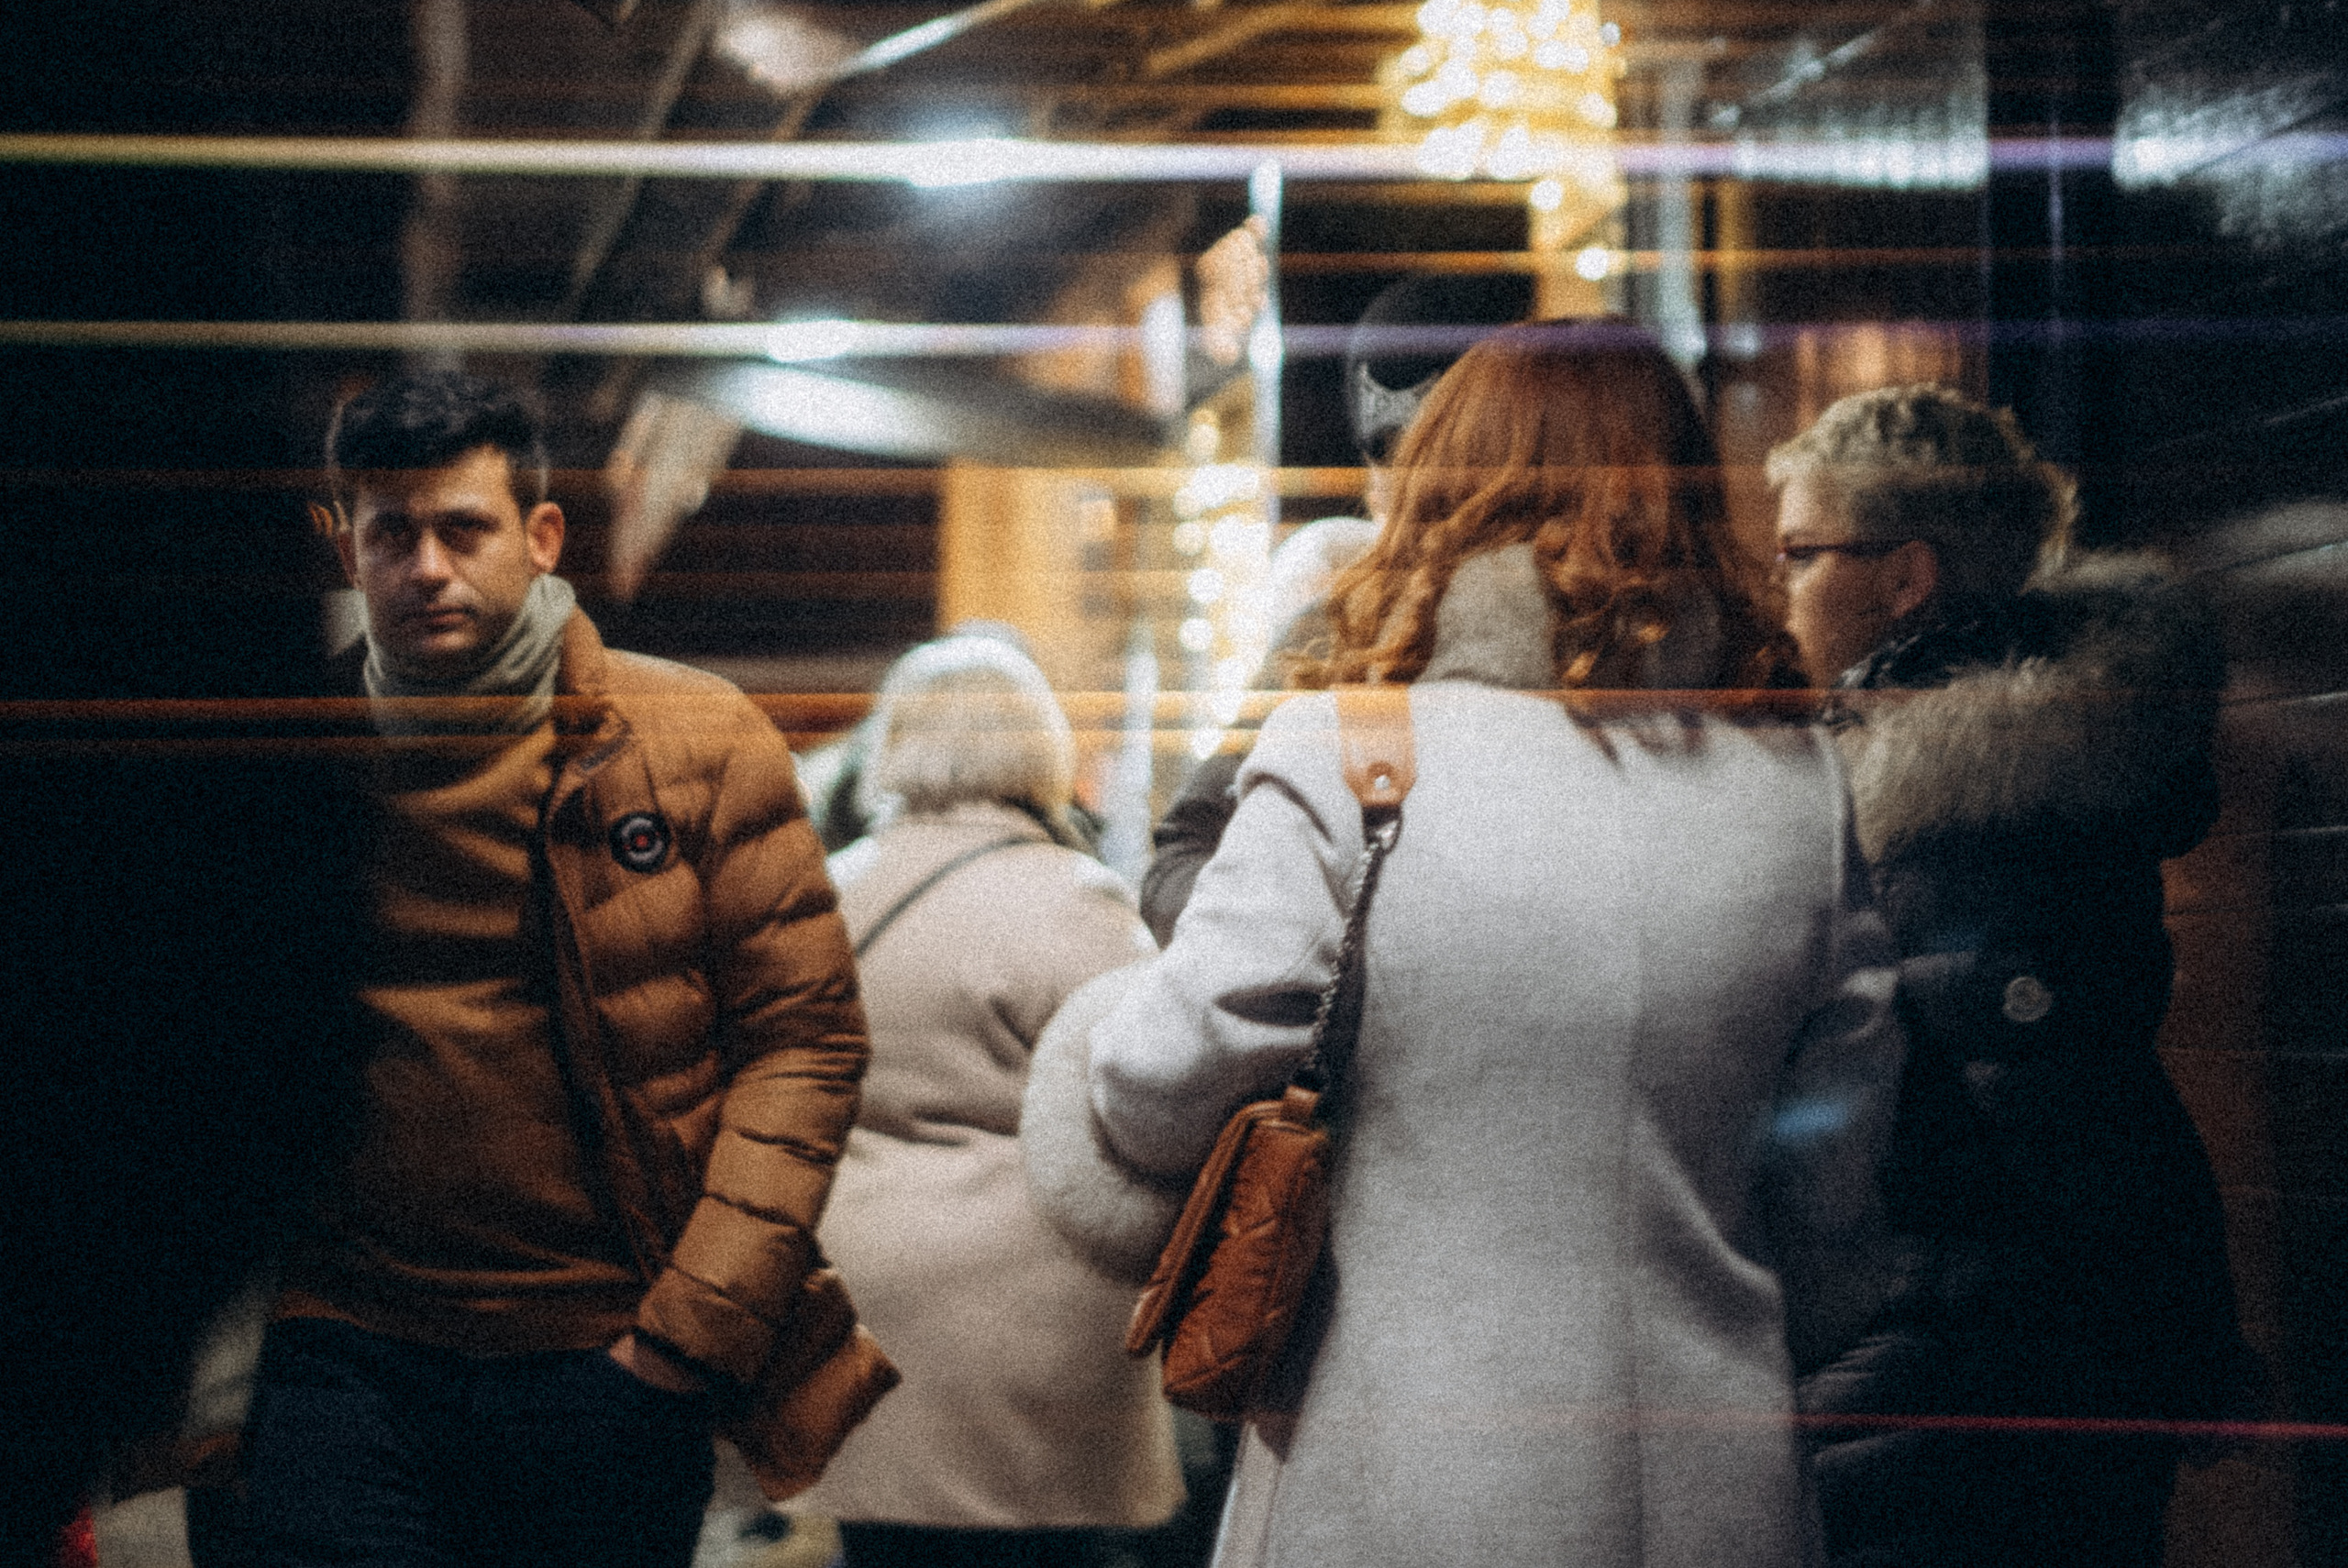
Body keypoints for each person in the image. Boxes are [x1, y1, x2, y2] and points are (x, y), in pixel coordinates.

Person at [1026, 321, 1909, 1568]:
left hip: (1394, 1475)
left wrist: (1087, 1050)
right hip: (1715, 1483)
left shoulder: (1348, 754)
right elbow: (1834, 1188)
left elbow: (1161, 1082)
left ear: (1446, 491)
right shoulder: (1799, 789)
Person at [221, 370, 888, 1568]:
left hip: (604, 1355)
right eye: (393, 534)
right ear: (346, 545)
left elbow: (805, 1043)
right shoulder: (281, 762)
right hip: (344, 1347)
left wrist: (681, 1340)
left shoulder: (692, 740)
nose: (428, 567)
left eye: (463, 529)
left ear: (540, 538)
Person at [1768, 385, 2262, 1567]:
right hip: (2019, 1386)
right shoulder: (2023, 780)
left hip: (1957, 1398)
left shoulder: (1961, 823)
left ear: (1905, 577)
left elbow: (2022, 1144)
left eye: (1796, 553)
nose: (1774, 587)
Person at [792, 635, 1180, 1568]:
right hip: (1032, 1313)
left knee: (884, 1550)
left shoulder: (828, 892)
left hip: (859, 1295)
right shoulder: (1075, 900)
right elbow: (1149, 1084)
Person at [1136, 272, 1530, 944]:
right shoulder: (1339, 628)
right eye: (1393, 468)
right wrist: (1297, 944)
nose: (1415, 504)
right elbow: (1182, 852)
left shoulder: (1592, 625)